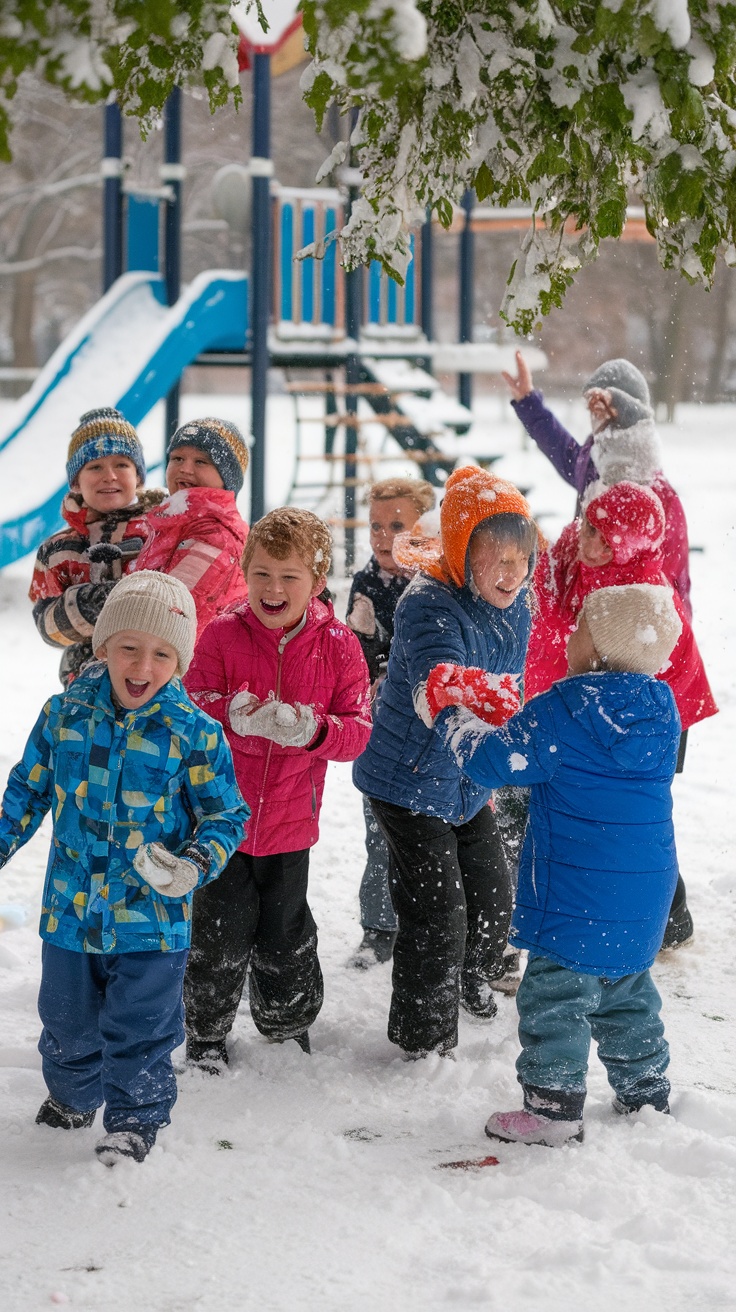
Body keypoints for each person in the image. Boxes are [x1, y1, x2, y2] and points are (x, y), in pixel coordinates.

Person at [0, 572, 249, 1165]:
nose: (143, 665)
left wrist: (193, 865)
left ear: (180, 661)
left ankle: (135, 1118)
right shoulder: (63, 716)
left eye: (162, 653)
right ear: (103, 647)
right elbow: (26, 793)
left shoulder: (194, 733)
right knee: (66, 1017)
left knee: (142, 1025)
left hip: (153, 915)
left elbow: (226, 816)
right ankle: (72, 1096)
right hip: (71, 909)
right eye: (129, 647)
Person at [434, 583, 683, 1146]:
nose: (568, 638)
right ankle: (644, 1091)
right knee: (626, 991)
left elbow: (493, 763)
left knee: (555, 999)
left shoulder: (566, 709)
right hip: (643, 890)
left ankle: (553, 1110)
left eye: (579, 630)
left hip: (576, 888)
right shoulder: (661, 710)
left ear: (596, 648)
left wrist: (459, 721)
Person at [353, 466, 538, 1058]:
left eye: (521, 558)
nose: (512, 573)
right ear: (461, 552)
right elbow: (439, 687)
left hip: (465, 781)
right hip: (405, 781)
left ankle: (471, 975)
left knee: (493, 902)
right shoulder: (427, 603)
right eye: (497, 558)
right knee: (437, 911)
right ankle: (423, 1039)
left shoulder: (518, 601)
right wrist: (489, 716)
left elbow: (513, 679)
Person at [183, 507, 372, 1068]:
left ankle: (287, 1023)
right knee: (218, 933)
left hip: (292, 823)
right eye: (262, 573)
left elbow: (357, 732)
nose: (274, 587)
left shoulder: (339, 645)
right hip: (223, 823)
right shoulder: (221, 634)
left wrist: (313, 729)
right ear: (245, 572)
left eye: (289, 577)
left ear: (316, 583)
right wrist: (229, 716)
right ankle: (208, 1031)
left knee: (285, 934)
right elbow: (190, 707)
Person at [526, 479, 716, 950]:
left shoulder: (643, 593)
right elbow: (550, 610)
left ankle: (670, 923)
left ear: (631, 542)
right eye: (588, 526)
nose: (586, 541)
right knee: (606, 816)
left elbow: (620, 672)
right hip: (596, 704)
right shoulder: (578, 550)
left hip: (656, 712)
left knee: (632, 820)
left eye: (603, 537)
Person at [503, 352, 692, 618]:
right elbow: (562, 449)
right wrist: (528, 402)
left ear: (629, 417)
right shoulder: (593, 464)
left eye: (604, 411)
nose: (596, 420)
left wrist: (669, 640)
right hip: (587, 609)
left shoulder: (654, 494)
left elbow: (673, 583)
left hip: (635, 626)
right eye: (591, 409)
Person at [346, 476, 436, 969]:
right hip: (381, 732)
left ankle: (433, 921)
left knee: (431, 831)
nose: (383, 536)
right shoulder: (365, 584)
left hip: (432, 731)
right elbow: (354, 651)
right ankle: (379, 926)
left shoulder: (439, 583)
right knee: (379, 830)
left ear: (424, 529)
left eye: (397, 526)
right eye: (376, 525)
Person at [29, 407, 163, 687]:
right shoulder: (58, 549)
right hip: (84, 683)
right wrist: (93, 604)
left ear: (138, 476)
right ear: (76, 481)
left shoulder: (160, 530)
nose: (110, 476)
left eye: (122, 465)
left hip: (154, 676)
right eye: (95, 467)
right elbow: (47, 627)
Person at [133, 417, 249, 639]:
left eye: (201, 462)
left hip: (183, 666)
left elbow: (165, 615)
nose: (185, 468)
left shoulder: (216, 536)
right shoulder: (171, 521)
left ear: (227, 478)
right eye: (177, 458)